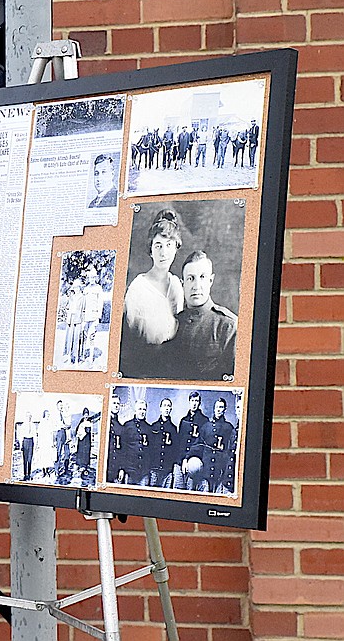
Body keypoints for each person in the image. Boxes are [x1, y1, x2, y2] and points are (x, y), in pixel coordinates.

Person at [119, 208, 184, 378]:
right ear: (150, 249)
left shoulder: (176, 284)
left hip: (171, 363)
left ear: (176, 248)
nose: (164, 252)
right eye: (158, 245)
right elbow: (131, 334)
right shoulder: (138, 287)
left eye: (169, 245)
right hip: (142, 363)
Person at [172, 251, 238, 380]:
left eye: (202, 277)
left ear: (211, 280)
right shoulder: (173, 322)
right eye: (190, 278)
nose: (196, 286)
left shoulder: (228, 326)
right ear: (182, 283)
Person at [106, 394, 140, 484]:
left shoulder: (121, 427)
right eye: (114, 403)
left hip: (115, 469)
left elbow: (123, 450)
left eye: (118, 403)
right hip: (105, 467)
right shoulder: (104, 423)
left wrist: (121, 468)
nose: (116, 405)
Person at [179, 391, 210, 491]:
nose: (194, 403)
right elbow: (180, 443)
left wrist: (188, 459)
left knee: (191, 489)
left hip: (195, 461)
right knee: (178, 488)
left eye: (196, 401)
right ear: (189, 402)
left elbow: (200, 444)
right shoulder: (183, 420)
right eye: (192, 400)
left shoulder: (204, 421)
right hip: (181, 461)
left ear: (199, 403)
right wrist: (183, 459)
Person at [156, 398, 187, 489]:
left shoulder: (173, 429)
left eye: (168, 406)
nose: (166, 408)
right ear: (160, 408)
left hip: (167, 470)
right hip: (154, 469)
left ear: (171, 409)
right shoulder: (154, 426)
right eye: (164, 406)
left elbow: (175, 450)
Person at [80, 265, 104, 367]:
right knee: (83, 336)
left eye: (94, 277)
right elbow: (83, 304)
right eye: (90, 277)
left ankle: (90, 358)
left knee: (91, 337)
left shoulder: (98, 288)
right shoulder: (85, 289)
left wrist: (98, 317)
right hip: (85, 317)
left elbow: (100, 303)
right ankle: (82, 356)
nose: (92, 279)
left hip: (94, 316)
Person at [74, 407, 99, 486]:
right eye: (85, 415)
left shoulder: (89, 422)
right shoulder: (81, 421)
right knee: (80, 452)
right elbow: (77, 430)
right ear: (83, 415)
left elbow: (88, 431)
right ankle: (80, 464)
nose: (86, 416)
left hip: (86, 440)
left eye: (87, 415)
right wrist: (79, 434)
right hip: (81, 440)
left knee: (86, 452)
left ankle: (85, 465)